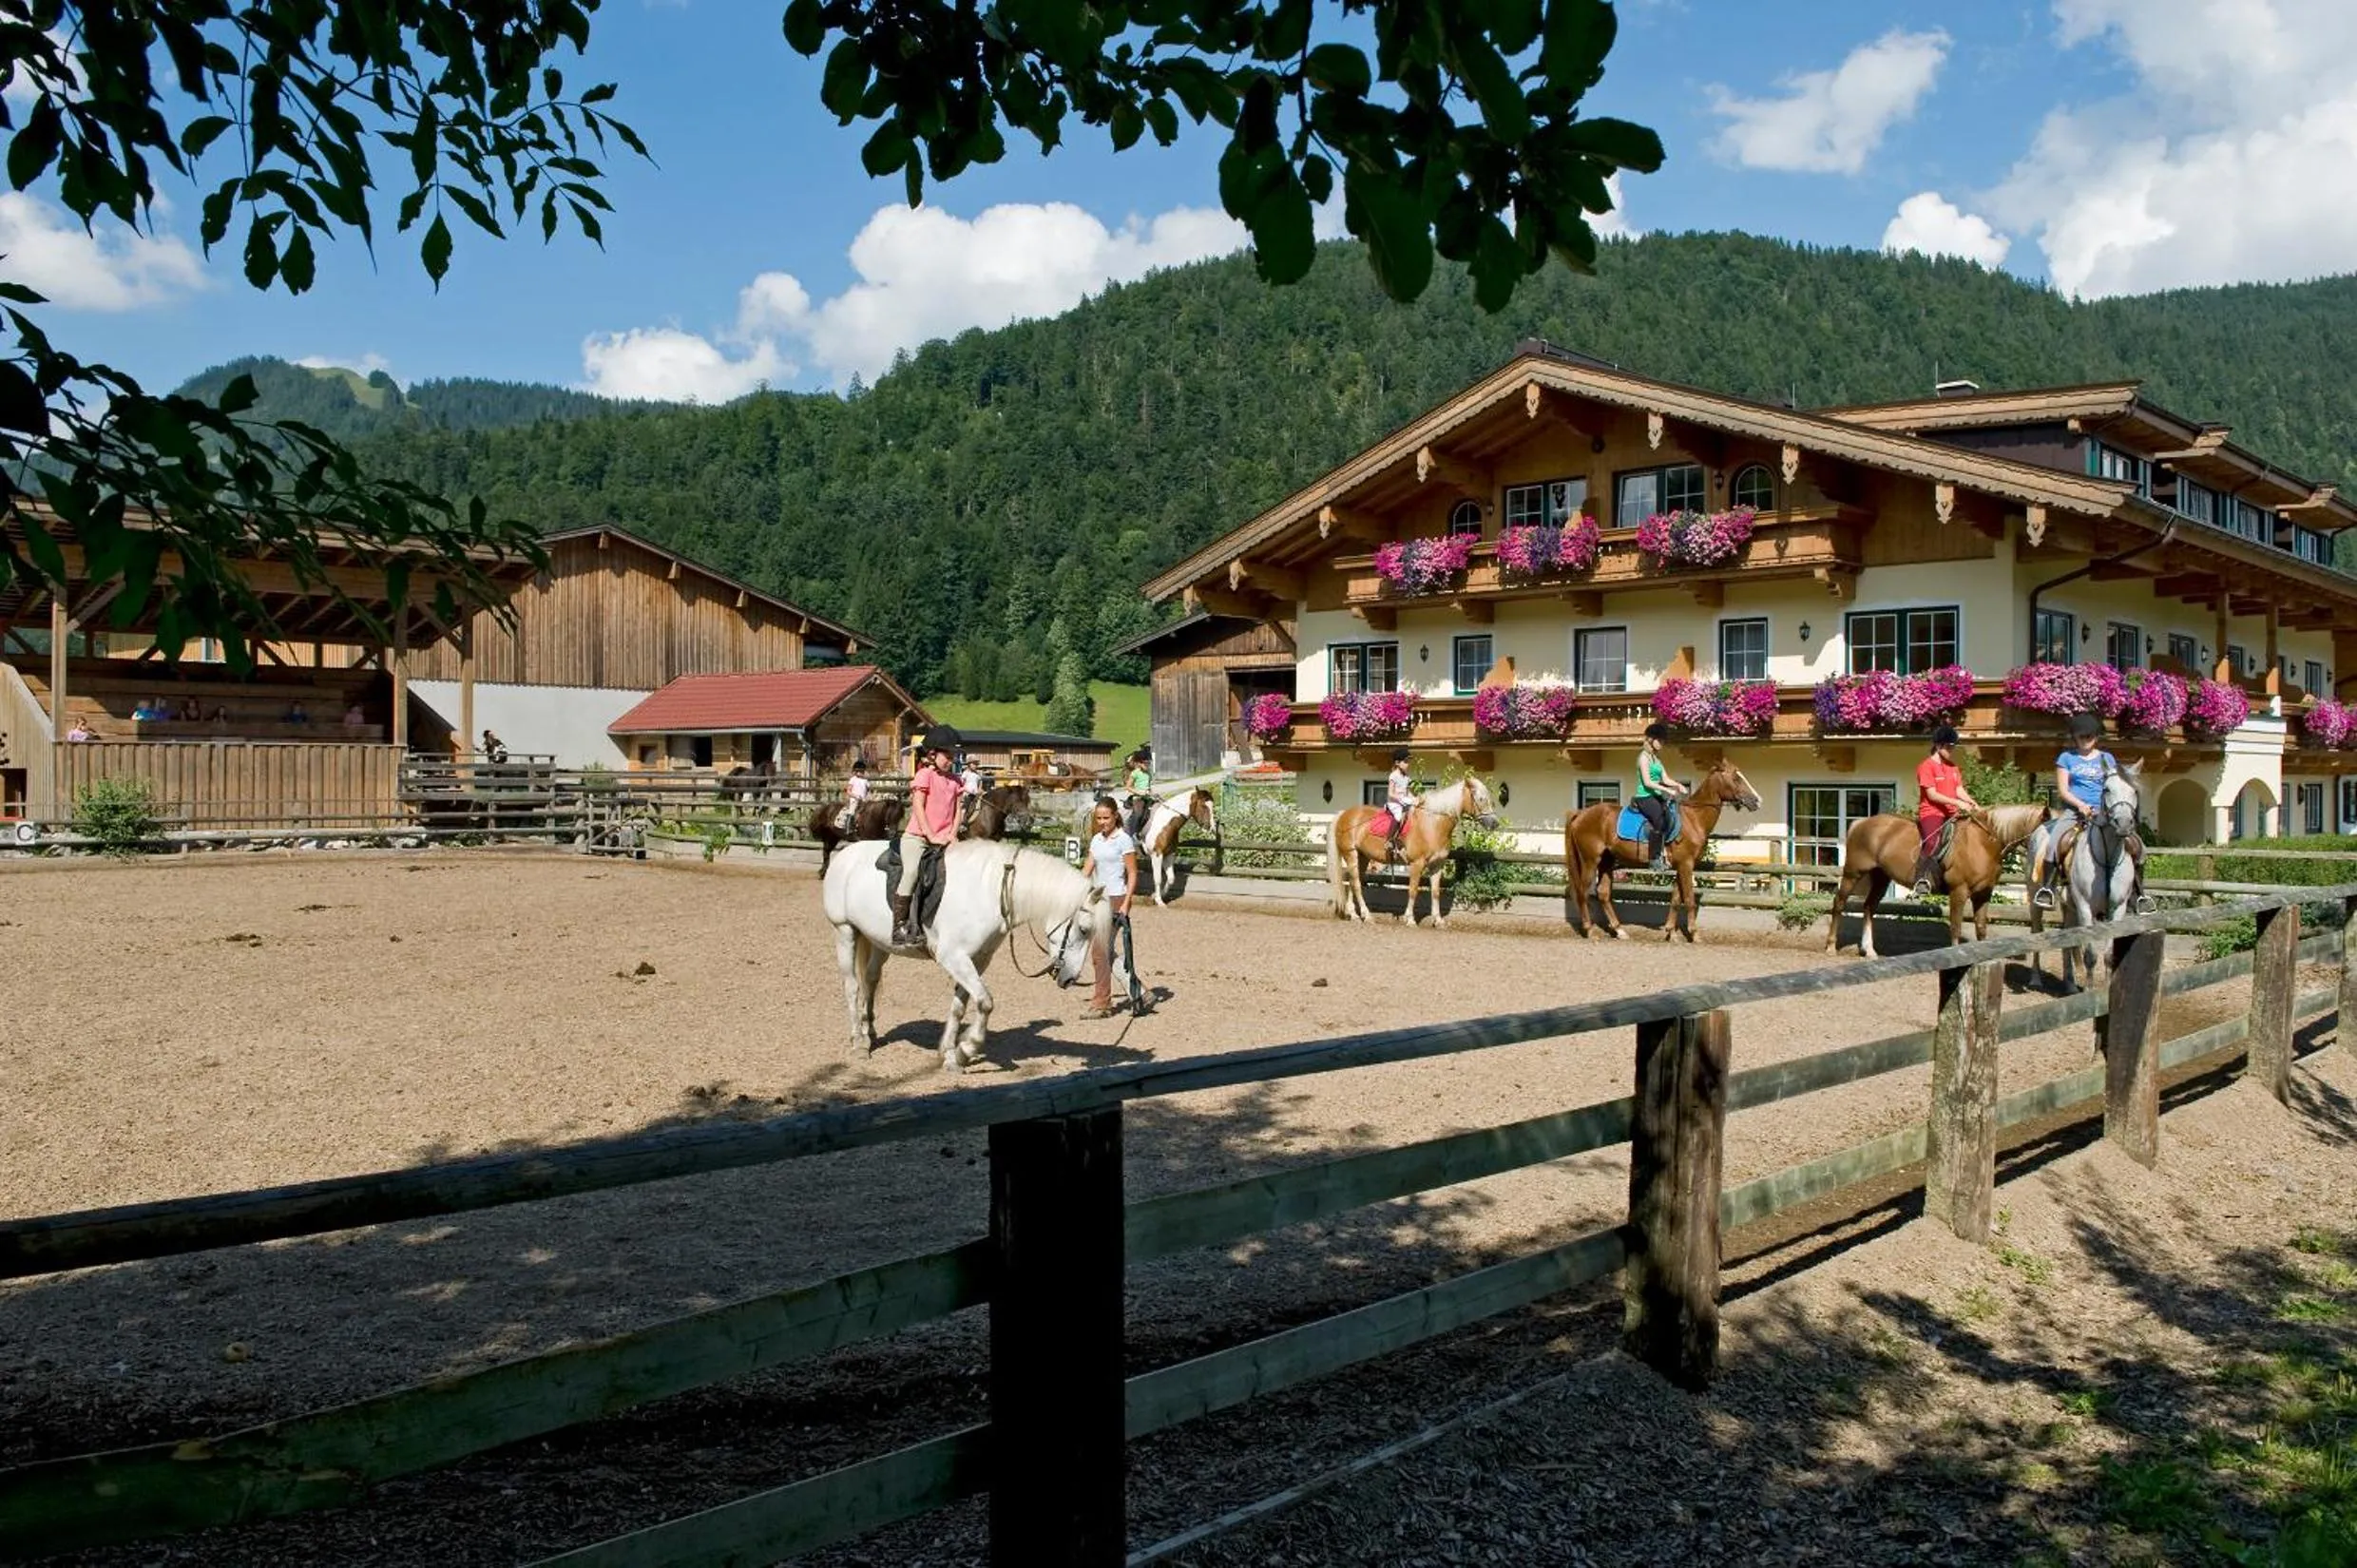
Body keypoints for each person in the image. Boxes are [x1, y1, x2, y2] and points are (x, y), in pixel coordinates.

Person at [2030, 714, 2145, 909]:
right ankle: (2047, 889)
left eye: (2089, 736)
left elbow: (2114, 786)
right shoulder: (2066, 758)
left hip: (2104, 812)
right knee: (2054, 844)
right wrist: (2081, 805)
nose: (2085, 740)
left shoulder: (2106, 758)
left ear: (2096, 737)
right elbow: (2063, 790)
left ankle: (2139, 894)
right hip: (2075, 812)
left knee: (2138, 847)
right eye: (2081, 737)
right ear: (2075, 738)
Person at [891, 726, 963, 947]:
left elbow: (959, 810)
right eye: (947, 756)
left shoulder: (955, 781)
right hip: (918, 838)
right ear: (932, 754)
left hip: (944, 839)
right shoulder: (924, 775)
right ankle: (899, 926)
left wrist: (952, 833)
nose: (950, 760)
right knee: (912, 872)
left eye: (953, 757)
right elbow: (918, 808)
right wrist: (931, 835)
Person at [1083, 795, 1138, 1020]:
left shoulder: (1123, 840)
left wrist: (1126, 903)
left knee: (1099, 951)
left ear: (1115, 816)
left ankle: (1102, 1002)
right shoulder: (1096, 839)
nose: (1103, 822)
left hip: (1116, 898)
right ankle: (1140, 991)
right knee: (1106, 952)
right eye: (1099, 818)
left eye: (1106, 817)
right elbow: (1088, 868)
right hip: (1098, 899)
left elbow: (1133, 873)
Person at [1911, 726, 1981, 896]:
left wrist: (1972, 803)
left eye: (1953, 747)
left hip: (1952, 813)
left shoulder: (1953, 767)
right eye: (1949, 747)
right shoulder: (1926, 767)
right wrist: (1956, 802)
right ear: (1938, 745)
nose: (1952, 750)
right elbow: (1932, 795)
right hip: (1932, 812)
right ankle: (1921, 878)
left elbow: (1958, 789)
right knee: (1932, 842)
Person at [1634, 723, 1689, 870]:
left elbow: (1665, 779)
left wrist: (1677, 785)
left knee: (1672, 814)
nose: (1662, 744)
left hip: (1656, 796)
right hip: (1644, 796)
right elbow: (1647, 782)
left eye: (1663, 741)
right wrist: (1668, 790)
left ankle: (1666, 852)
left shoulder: (1657, 760)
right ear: (1651, 740)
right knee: (1659, 819)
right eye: (1660, 741)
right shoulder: (1643, 758)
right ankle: (1653, 859)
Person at [1382, 748, 1419, 856]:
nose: (1408, 764)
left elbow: (1407, 792)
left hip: (1404, 801)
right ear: (1397, 763)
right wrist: (1401, 799)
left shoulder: (1407, 777)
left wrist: (1415, 799)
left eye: (1408, 762)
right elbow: (1390, 793)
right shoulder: (1393, 775)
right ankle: (1389, 840)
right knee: (1398, 817)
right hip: (1394, 803)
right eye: (1406, 762)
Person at [1121, 748, 1154, 840]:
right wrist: (1139, 792)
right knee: (1138, 814)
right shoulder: (1135, 773)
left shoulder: (1148, 774)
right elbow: (1128, 787)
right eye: (1145, 763)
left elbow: (1148, 787)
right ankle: (1132, 833)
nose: (1147, 765)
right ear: (1139, 763)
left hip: (1147, 797)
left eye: (1149, 763)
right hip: (1138, 798)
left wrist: (1151, 793)